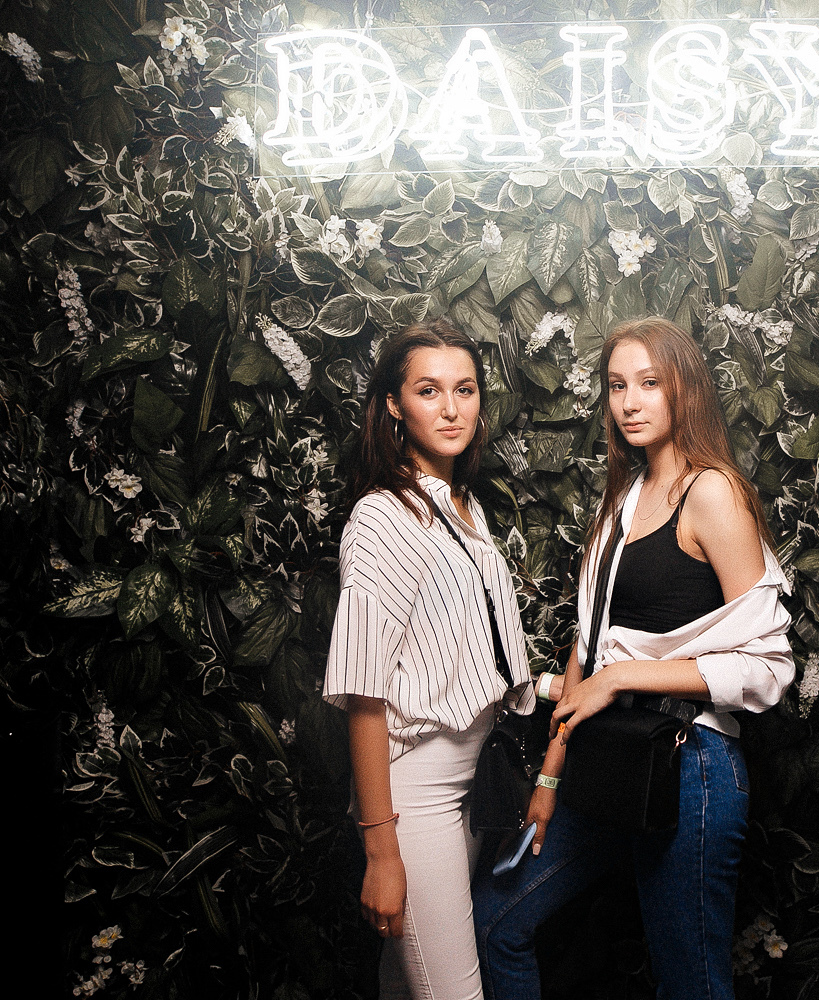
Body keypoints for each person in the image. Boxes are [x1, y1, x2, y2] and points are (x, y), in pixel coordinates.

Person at [472, 317, 794, 1000]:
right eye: (617, 385)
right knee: (498, 921)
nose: (630, 402)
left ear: (685, 390)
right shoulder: (623, 499)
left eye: (649, 383)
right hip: (608, 758)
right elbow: (587, 647)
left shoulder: (712, 493)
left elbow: (769, 668)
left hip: (691, 764)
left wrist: (621, 677)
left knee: (690, 986)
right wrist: (549, 777)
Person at [323, 318, 533, 1000]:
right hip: (416, 792)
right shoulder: (382, 517)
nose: (450, 409)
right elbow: (363, 694)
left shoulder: (462, 508)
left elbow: (461, 652)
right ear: (394, 404)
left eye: (465, 389)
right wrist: (382, 850)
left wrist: (549, 683)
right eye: (428, 390)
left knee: (406, 986)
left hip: (473, 783)